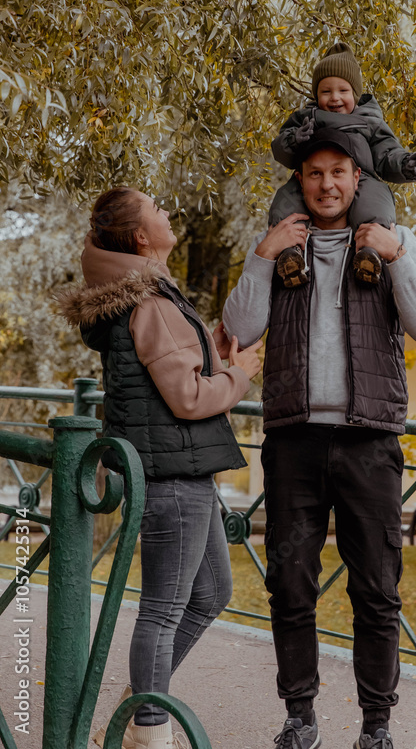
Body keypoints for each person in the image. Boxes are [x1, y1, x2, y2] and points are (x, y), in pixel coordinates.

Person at [223, 131, 416, 749]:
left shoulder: (392, 242)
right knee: (289, 583)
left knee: (376, 590)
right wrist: (262, 256)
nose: (326, 184)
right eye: (314, 174)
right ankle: (300, 717)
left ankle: (377, 726)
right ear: (299, 182)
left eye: (338, 172)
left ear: (357, 179)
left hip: (368, 440)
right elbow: (239, 329)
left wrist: (397, 256)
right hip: (294, 438)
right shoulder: (278, 248)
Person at [57, 187, 262, 749]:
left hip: (178, 468)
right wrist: (241, 373)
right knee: (164, 610)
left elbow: (169, 373)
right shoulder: (150, 301)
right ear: (142, 237)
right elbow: (190, 399)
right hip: (173, 474)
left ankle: (140, 703)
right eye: (157, 208)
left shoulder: (145, 295)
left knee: (211, 593)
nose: (168, 210)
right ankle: (148, 731)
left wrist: (213, 351)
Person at [269, 41, 416, 288]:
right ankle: (290, 254)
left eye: (343, 91)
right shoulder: (306, 118)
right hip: (312, 177)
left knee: (374, 206)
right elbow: (280, 147)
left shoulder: (369, 121)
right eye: (326, 91)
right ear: (315, 95)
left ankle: (369, 253)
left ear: (355, 94)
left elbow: (386, 153)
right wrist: (294, 140)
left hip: (362, 178)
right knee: (286, 204)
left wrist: (404, 164)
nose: (334, 98)